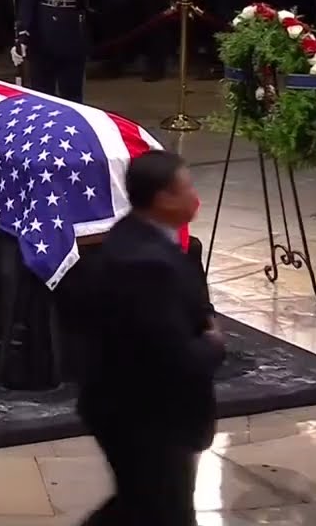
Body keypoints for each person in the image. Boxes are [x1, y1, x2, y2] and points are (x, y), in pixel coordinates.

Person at [77, 150, 223, 526]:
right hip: (149, 415)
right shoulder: (148, 264)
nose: (195, 197)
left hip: (132, 409)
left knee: (140, 506)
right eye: (186, 188)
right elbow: (174, 353)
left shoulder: (132, 237)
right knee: (164, 511)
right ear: (162, 199)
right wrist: (212, 344)